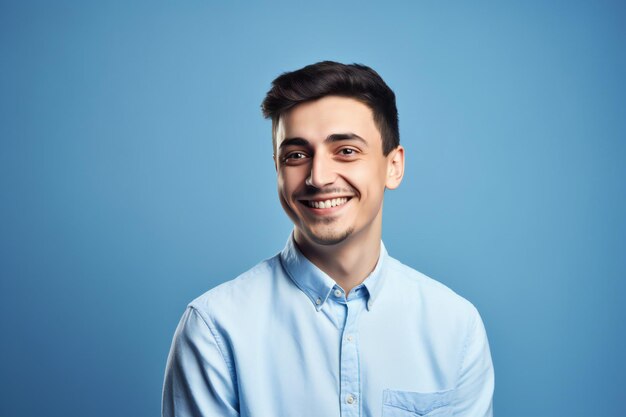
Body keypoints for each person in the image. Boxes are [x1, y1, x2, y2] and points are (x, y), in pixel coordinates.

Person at [162, 61, 494, 417]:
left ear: (393, 166)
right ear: (277, 168)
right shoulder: (215, 330)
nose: (318, 177)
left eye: (346, 151)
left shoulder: (456, 327)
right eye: (296, 156)